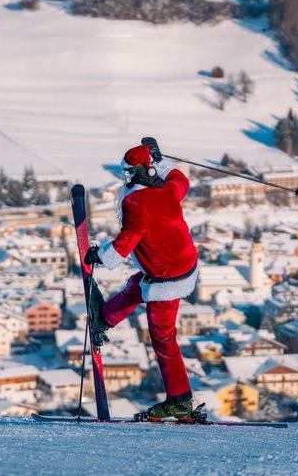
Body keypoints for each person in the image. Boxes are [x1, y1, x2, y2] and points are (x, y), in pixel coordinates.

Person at [85, 137, 199, 422]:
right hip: (178, 265)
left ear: (137, 172)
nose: (124, 178)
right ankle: (106, 318)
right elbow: (180, 179)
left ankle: (180, 401)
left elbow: (127, 240)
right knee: (137, 285)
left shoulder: (137, 202)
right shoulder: (168, 191)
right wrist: (159, 159)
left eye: (127, 172)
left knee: (163, 338)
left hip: (167, 278)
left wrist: (101, 256)